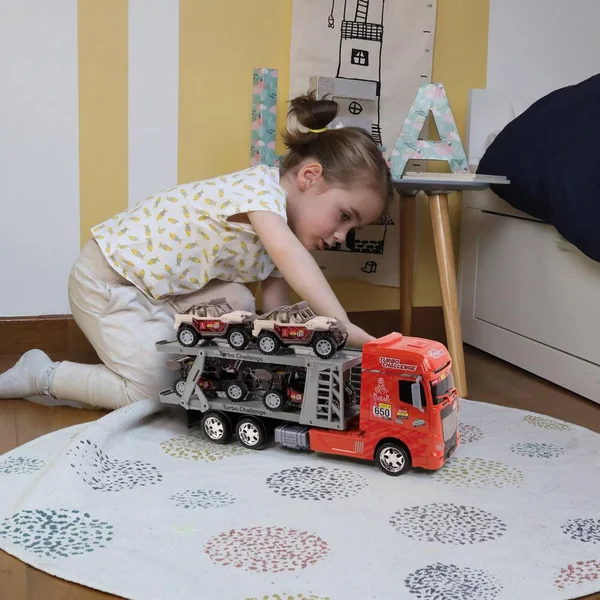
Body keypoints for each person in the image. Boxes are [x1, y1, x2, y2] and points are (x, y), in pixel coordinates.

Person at [0, 92, 394, 410]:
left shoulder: (280, 238)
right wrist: (342, 325)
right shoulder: (261, 193)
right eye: (344, 216)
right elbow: (296, 263)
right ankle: (43, 375)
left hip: (162, 297)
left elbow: (276, 313)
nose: (341, 236)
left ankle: (179, 362)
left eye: (352, 228)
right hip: (109, 284)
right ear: (310, 177)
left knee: (241, 302)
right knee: (155, 389)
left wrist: (293, 364)